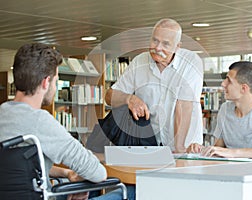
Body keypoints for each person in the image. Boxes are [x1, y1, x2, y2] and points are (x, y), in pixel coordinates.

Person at [0, 43, 131, 200]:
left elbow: (21, 167)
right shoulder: (40, 122)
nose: (55, 88)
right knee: (129, 193)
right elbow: (97, 172)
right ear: (45, 82)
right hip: (42, 196)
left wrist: (66, 173)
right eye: (56, 81)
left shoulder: (3, 112)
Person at [105, 18, 204, 153]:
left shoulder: (191, 62)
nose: (158, 48)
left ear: (177, 47)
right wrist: (129, 99)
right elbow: (110, 96)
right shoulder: (139, 61)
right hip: (148, 144)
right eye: (155, 40)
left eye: (165, 44)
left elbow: (184, 106)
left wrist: (179, 148)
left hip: (186, 145)